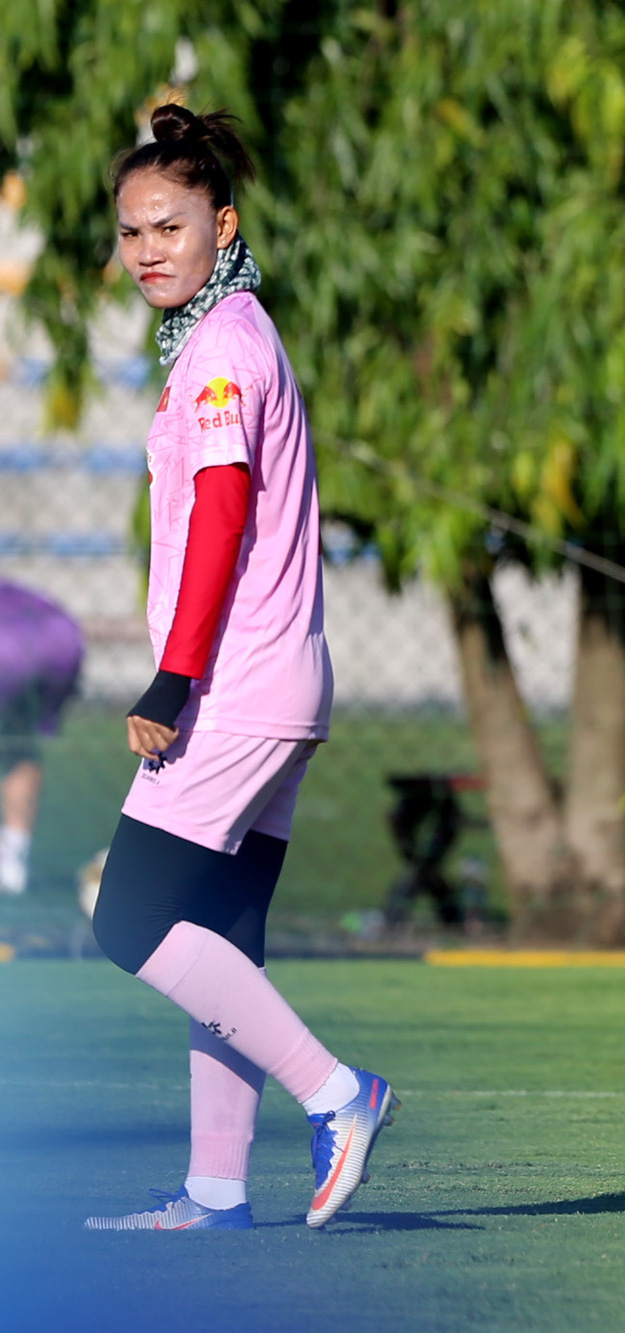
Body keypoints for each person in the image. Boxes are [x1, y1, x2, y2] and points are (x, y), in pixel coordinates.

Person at [82, 104, 394, 1232]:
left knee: (127, 921)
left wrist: (173, 676)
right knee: (218, 942)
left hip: (230, 690)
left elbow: (219, 514)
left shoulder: (221, 349)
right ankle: (217, 1189)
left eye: (170, 226)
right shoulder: (237, 331)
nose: (147, 249)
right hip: (282, 684)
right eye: (130, 232)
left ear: (225, 224)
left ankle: (336, 1094)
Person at [0, 581, 87, 895]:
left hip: (9, 648)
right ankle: (13, 865)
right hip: (62, 640)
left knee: (14, 746)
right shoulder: (18, 594)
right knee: (21, 746)